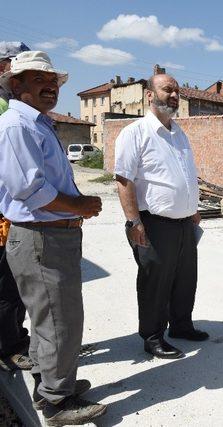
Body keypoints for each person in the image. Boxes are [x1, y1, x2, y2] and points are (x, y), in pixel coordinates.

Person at [0, 50, 105, 425]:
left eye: (53, 81)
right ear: (16, 84)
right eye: (38, 80)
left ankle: (53, 384)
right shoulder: (17, 125)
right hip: (41, 236)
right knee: (57, 321)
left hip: (51, 236)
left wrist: (76, 211)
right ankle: (57, 402)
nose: (50, 87)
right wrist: (80, 206)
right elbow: (31, 189)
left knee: (57, 318)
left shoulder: (38, 123)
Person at [114, 73, 208, 360]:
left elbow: (184, 175)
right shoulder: (135, 133)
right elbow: (124, 180)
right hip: (152, 223)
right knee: (156, 281)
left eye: (177, 91)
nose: (174, 95)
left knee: (184, 279)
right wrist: (134, 222)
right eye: (168, 90)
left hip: (183, 223)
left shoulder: (179, 133)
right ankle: (153, 336)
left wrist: (192, 210)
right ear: (150, 96)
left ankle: (181, 325)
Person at [0, 40, 32, 372]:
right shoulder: (4, 110)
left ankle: (16, 338)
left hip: (12, 213)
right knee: (7, 285)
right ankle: (9, 347)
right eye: (18, 63)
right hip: (4, 215)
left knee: (16, 282)